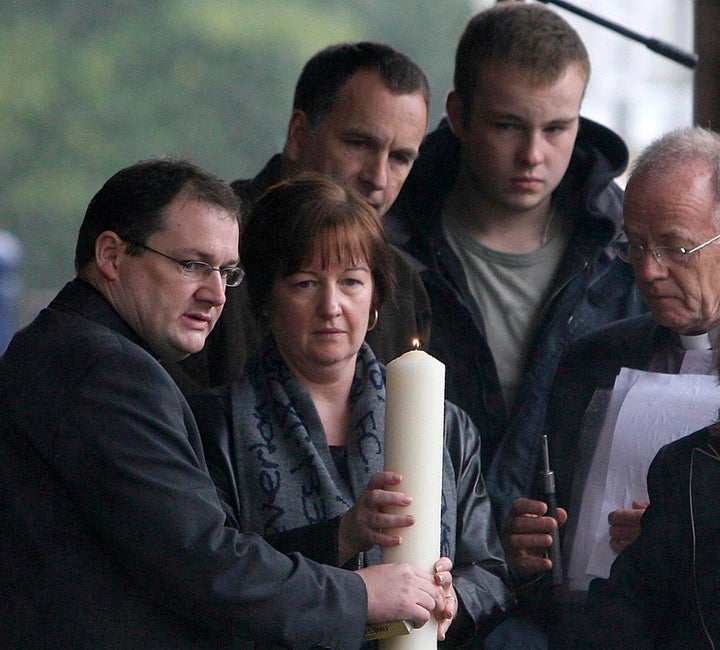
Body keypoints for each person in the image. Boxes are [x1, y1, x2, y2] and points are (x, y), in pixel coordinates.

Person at [0, 158, 449, 649]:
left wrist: (337, 540)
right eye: (192, 264)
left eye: (227, 273)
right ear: (111, 255)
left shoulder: (61, 346)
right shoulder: (107, 372)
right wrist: (359, 595)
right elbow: (204, 565)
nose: (215, 294)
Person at [190, 174, 513, 647]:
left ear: (376, 299)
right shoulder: (214, 425)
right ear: (264, 302)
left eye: (351, 282)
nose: (331, 306)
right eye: (304, 283)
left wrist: (454, 596)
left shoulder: (447, 426)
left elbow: (489, 570)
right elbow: (212, 575)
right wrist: (340, 537)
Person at [384, 2, 644, 492]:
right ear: (458, 115)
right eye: (507, 126)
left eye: (556, 129)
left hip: (578, 544)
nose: (532, 155)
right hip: (422, 542)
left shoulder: (628, 246)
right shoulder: (387, 237)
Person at [511, 126, 720, 646]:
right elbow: (548, 511)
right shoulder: (590, 360)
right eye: (636, 246)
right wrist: (526, 550)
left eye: (675, 247)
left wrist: (685, 530)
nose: (648, 272)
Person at [170, 41, 432, 393]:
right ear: (297, 135)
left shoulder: (401, 281)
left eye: (400, 158)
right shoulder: (207, 248)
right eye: (358, 144)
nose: (379, 178)